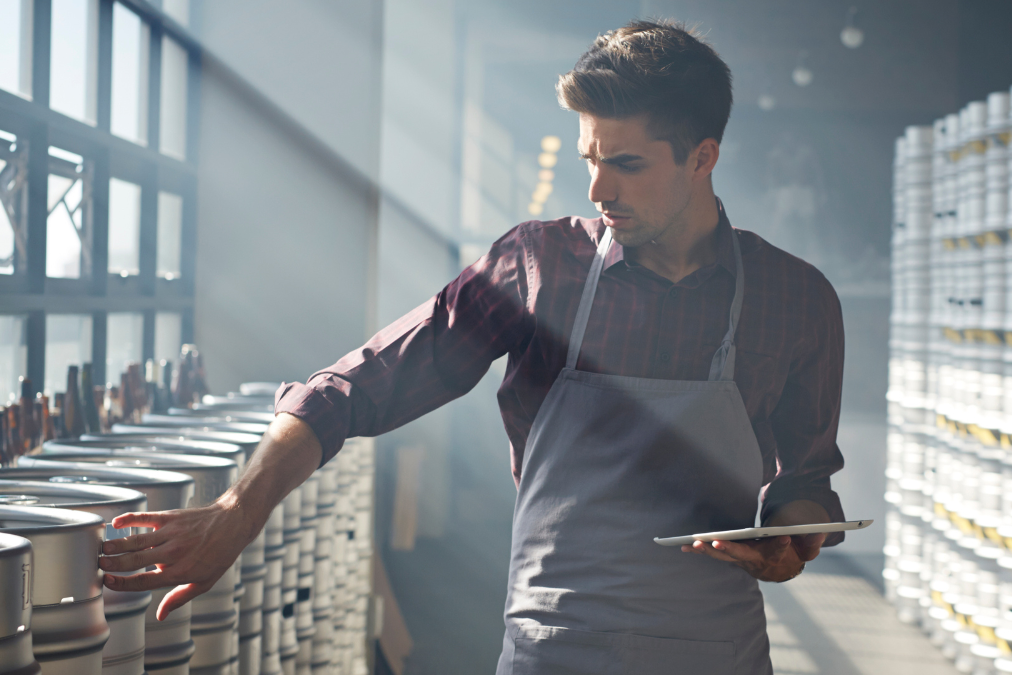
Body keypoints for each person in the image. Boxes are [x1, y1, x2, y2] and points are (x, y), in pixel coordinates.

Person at [100, 19, 846, 674]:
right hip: (555, 645)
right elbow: (364, 383)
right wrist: (238, 507)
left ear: (702, 157)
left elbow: (805, 479)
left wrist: (788, 541)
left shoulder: (796, 299)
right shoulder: (541, 268)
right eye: (590, 158)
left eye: (626, 164)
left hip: (713, 654)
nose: (597, 191)